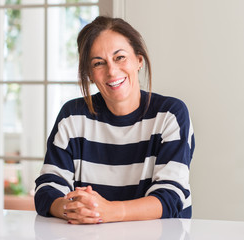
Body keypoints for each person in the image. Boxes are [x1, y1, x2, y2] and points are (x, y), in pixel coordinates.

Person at [34, 16, 195, 224]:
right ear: (90, 74)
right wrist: (72, 209)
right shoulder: (72, 116)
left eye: (120, 58)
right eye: (98, 63)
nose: (111, 71)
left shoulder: (170, 115)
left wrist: (109, 211)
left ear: (139, 60)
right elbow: (47, 188)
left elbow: (170, 198)